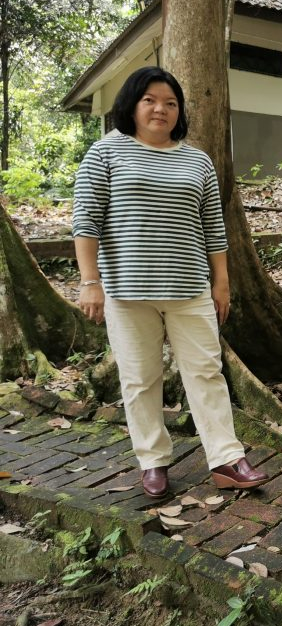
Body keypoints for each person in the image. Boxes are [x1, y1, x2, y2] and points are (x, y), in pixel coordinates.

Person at [72, 66, 269, 498]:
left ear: (179, 111)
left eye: (170, 103)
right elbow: (85, 221)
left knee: (206, 373)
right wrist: (90, 281)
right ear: (132, 105)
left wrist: (222, 282)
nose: (161, 109)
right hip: (128, 291)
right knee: (140, 379)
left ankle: (226, 458)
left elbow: (213, 228)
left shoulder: (196, 160)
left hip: (190, 288)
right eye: (150, 100)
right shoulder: (105, 153)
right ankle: (153, 461)